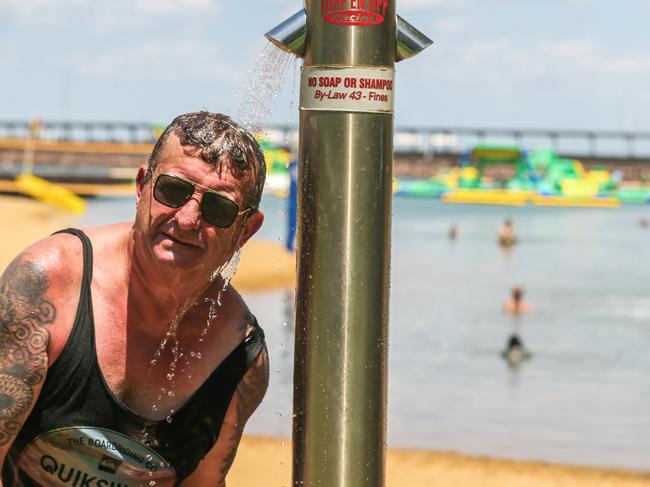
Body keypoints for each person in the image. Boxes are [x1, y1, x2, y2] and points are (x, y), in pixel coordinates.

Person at [0, 112, 269, 486]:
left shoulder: (239, 355)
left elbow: (203, 482)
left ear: (245, 229)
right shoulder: (49, 284)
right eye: (173, 191)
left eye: (218, 208)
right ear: (142, 186)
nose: (189, 218)